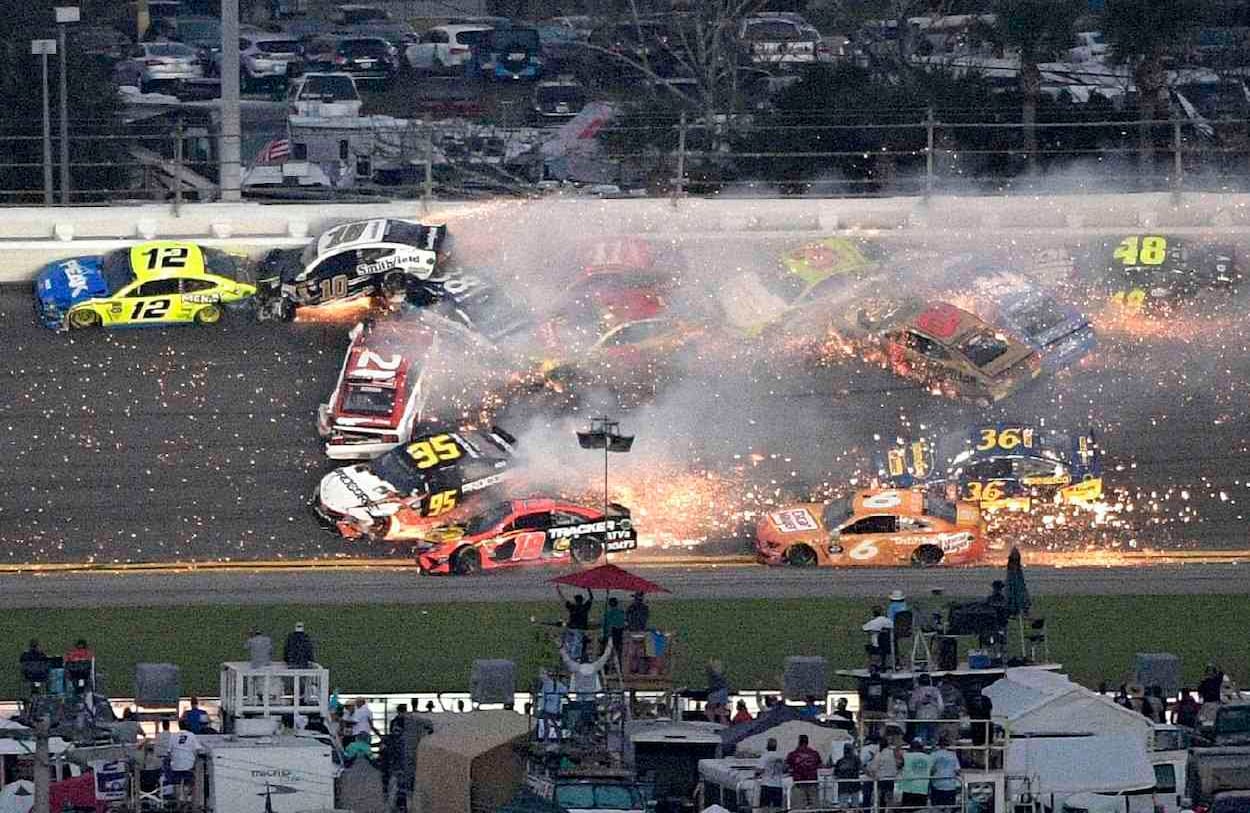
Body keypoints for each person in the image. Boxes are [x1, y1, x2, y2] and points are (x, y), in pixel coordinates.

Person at [785, 733, 823, 809]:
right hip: (812, 782)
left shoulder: (793, 754)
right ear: (807, 742)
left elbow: (787, 766)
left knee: (798, 808)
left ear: (799, 742)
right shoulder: (814, 753)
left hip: (799, 783)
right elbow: (820, 765)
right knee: (815, 808)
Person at [869, 731, 904, 808]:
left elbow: (873, 767)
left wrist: (873, 774)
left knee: (881, 799)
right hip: (891, 778)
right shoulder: (892, 753)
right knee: (889, 799)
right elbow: (899, 763)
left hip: (882, 779)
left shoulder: (879, 754)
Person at [168, 727, 203, 803]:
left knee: (176, 783)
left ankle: (178, 802)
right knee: (188, 783)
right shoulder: (191, 735)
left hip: (176, 765)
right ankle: (186, 799)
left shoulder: (173, 736)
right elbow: (198, 749)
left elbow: (169, 751)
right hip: (188, 764)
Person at [558, 586, 594, 660]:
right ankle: (578, 656)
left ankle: (572, 655)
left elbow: (564, 600)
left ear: (575, 601)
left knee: (571, 642)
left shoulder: (572, 607)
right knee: (580, 643)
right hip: (581, 628)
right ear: (582, 600)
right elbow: (591, 598)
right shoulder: (585, 607)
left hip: (572, 628)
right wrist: (588, 588)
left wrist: (559, 591)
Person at [897, 739, 932, 811]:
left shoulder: (906, 755)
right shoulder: (928, 757)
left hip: (909, 788)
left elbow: (898, 760)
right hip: (923, 788)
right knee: (920, 810)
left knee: (907, 809)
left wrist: (899, 745)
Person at [929, 735, 962, 810]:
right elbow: (957, 770)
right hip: (950, 786)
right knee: (949, 809)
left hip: (937, 785)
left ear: (939, 745)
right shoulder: (953, 755)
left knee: (936, 809)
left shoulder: (934, 754)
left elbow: (931, 770)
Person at [911, 674, 944, 744]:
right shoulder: (936, 691)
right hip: (933, 718)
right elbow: (941, 706)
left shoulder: (916, 691)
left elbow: (912, 707)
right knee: (933, 741)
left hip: (921, 719)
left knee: (921, 741)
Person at [756, 737, 786, 810]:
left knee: (765, 807)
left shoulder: (765, 756)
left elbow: (759, 770)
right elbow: (785, 769)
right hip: (778, 785)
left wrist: (756, 774)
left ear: (767, 746)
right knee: (777, 808)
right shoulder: (781, 757)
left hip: (767, 784)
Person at [862, 663, 890, 736]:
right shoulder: (884, 683)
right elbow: (888, 696)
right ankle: (879, 737)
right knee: (880, 725)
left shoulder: (865, 683)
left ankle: (866, 737)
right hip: (879, 710)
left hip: (872, 710)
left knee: (867, 724)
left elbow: (863, 698)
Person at [833, 741, 863, 806]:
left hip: (844, 786)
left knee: (844, 805)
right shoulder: (856, 759)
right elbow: (862, 768)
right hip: (854, 786)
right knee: (855, 805)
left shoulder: (840, 761)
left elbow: (835, 775)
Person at [601, 597, 626, 663]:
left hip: (610, 636)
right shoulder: (621, 613)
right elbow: (623, 624)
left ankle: (606, 665)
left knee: (605, 650)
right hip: (619, 637)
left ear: (609, 604)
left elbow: (604, 626)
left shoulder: (608, 614)